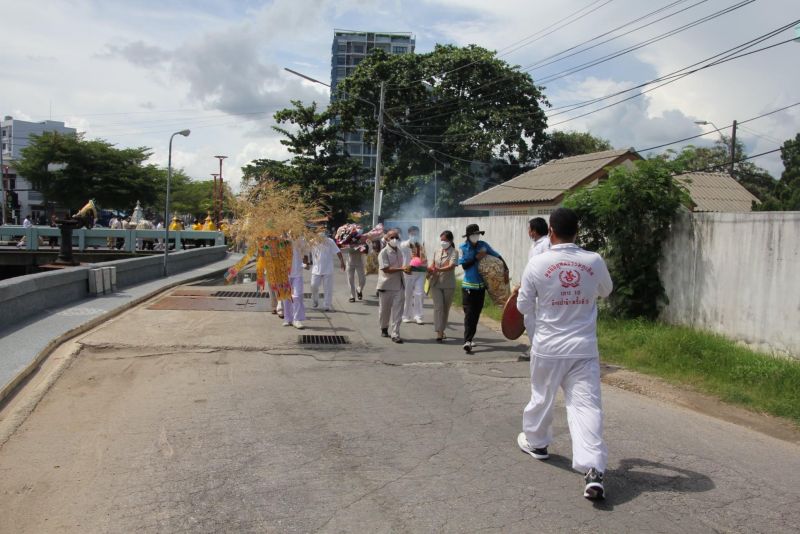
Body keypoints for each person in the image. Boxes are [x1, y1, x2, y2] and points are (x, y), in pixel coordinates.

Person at [515, 207, 613, 501]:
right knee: (586, 407)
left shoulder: (537, 263)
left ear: (551, 232)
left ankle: (537, 443)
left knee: (542, 398)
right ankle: (593, 468)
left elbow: (522, 306)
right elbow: (606, 291)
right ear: (577, 231)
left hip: (548, 346)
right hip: (583, 348)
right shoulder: (593, 260)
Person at [458, 224, 507, 354]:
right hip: (468, 286)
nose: (476, 236)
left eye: (477, 234)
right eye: (473, 234)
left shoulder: (483, 245)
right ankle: (467, 341)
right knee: (469, 314)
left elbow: (497, 256)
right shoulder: (463, 248)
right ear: (468, 236)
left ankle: (470, 337)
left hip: (481, 287)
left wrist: (505, 269)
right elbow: (464, 266)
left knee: (476, 313)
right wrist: (476, 258)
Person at [376, 229, 408, 343]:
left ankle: (395, 333)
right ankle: (384, 327)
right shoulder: (383, 253)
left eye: (396, 237)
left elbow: (402, 268)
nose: (395, 240)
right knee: (384, 310)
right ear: (387, 239)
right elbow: (386, 269)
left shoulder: (400, 251)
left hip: (399, 285)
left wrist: (406, 270)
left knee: (398, 311)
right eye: (392, 237)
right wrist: (402, 269)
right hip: (386, 285)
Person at [427, 230, 459, 342]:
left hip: (448, 284)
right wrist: (429, 270)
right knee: (438, 307)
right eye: (441, 240)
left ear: (450, 241)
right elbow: (432, 265)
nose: (443, 242)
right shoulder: (437, 251)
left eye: (445, 240)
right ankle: (439, 332)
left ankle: (442, 329)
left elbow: (451, 266)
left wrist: (439, 269)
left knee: (445, 309)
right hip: (435, 283)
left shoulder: (454, 252)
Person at [310, 230, 345, 311]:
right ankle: (315, 299)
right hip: (316, 269)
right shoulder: (312, 242)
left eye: (323, 238)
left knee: (328, 288)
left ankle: (327, 305)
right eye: (320, 239)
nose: (321, 240)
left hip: (328, 269)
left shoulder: (330, 241)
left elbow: (338, 251)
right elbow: (305, 252)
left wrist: (342, 262)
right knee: (313, 286)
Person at [400, 225, 426, 325]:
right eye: (412, 234)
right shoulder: (404, 244)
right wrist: (411, 243)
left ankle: (418, 316)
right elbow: (403, 247)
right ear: (409, 234)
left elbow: (424, 258)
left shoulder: (421, 245)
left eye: (416, 234)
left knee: (419, 294)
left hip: (420, 272)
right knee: (408, 295)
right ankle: (405, 315)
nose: (414, 235)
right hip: (408, 273)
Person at [281, 237, 308, 329]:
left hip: (297, 273)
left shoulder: (302, 240)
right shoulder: (283, 240)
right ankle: (287, 319)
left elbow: (305, 254)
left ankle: (297, 320)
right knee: (286, 297)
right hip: (285, 273)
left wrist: (306, 263)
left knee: (297, 296)